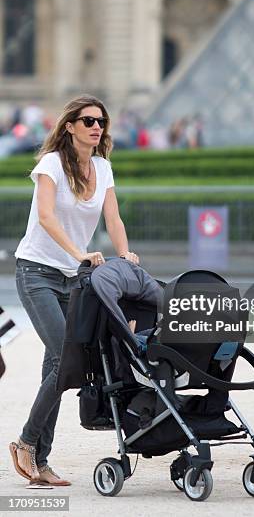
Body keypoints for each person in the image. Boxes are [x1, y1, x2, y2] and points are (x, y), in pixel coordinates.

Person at [9, 95, 139, 486]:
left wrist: (125, 255)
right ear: (69, 126)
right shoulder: (51, 164)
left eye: (101, 121)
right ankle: (26, 441)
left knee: (58, 367)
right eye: (87, 121)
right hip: (37, 273)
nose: (96, 126)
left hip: (73, 280)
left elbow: (113, 218)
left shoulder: (103, 166)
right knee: (68, 359)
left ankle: (39, 461)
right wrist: (78, 252)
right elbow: (46, 216)